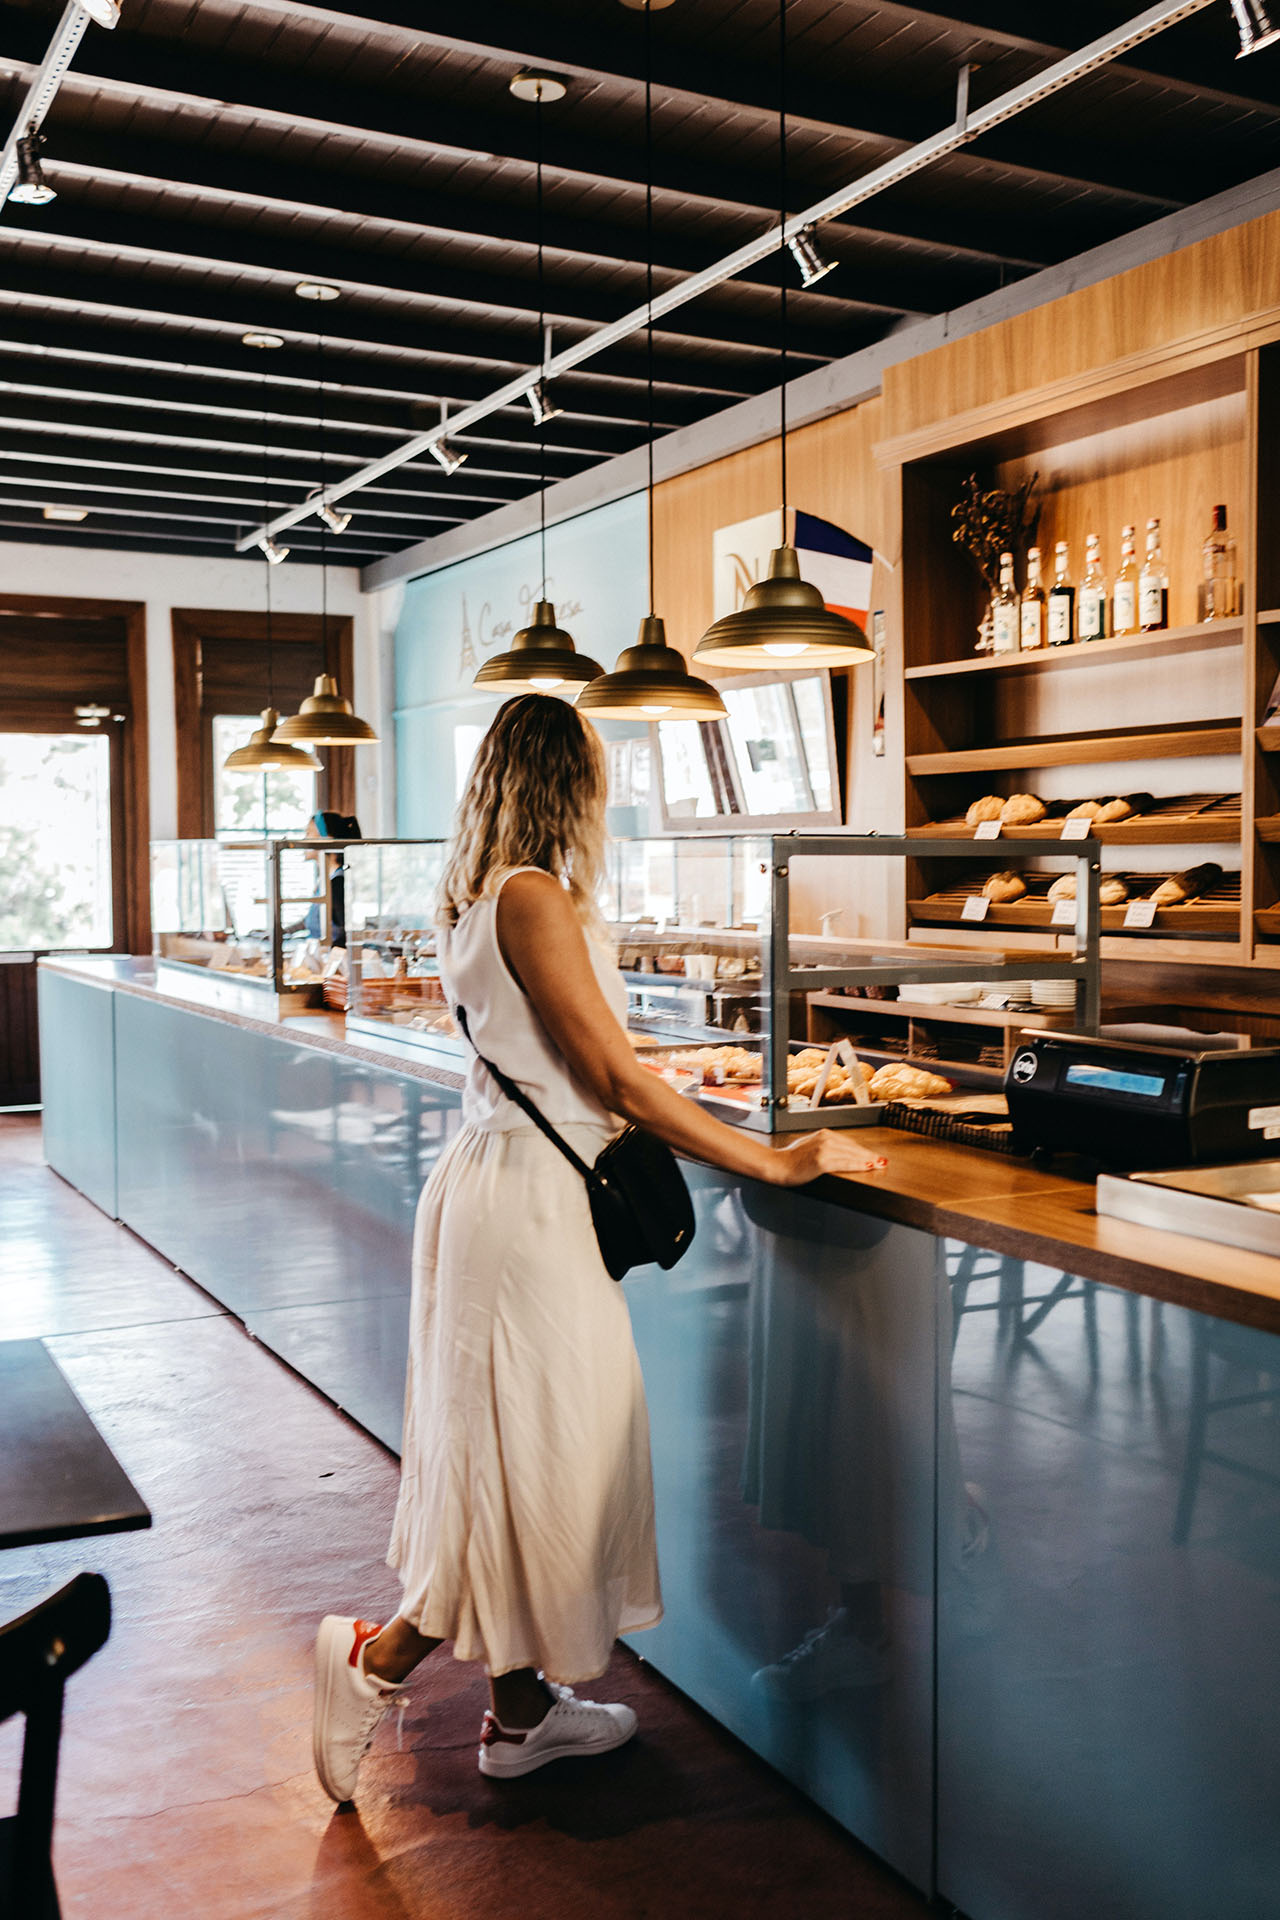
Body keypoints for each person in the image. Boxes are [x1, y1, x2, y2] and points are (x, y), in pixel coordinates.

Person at [312, 693, 888, 1802]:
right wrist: (773, 1159)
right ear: (563, 779)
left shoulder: (479, 896)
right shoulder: (529, 897)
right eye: (596, 769)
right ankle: (373, 1666)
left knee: (520, 1448)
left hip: (504, 1190)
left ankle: (520, 1718)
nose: (609, 789)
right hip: (525, 1210)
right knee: (543, 1456)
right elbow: (615, 1077)